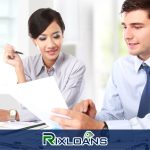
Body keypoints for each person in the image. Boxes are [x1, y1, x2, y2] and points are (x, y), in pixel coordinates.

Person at [50, 0, 150, 129]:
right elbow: (114, 117)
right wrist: (90, 119)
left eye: (137, 27)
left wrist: (100, 127)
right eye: (125, 27)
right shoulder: (120, 67)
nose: (127, 35)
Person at [2, 8, 85, 122]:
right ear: (34, 40)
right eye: (42, 38)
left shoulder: (76, 67)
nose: (50, 44)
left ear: (62, 35)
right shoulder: (27, 64)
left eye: (56, 36)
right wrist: (18, 67)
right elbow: (27, 108)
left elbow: (61, 112)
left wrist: (11, 114)